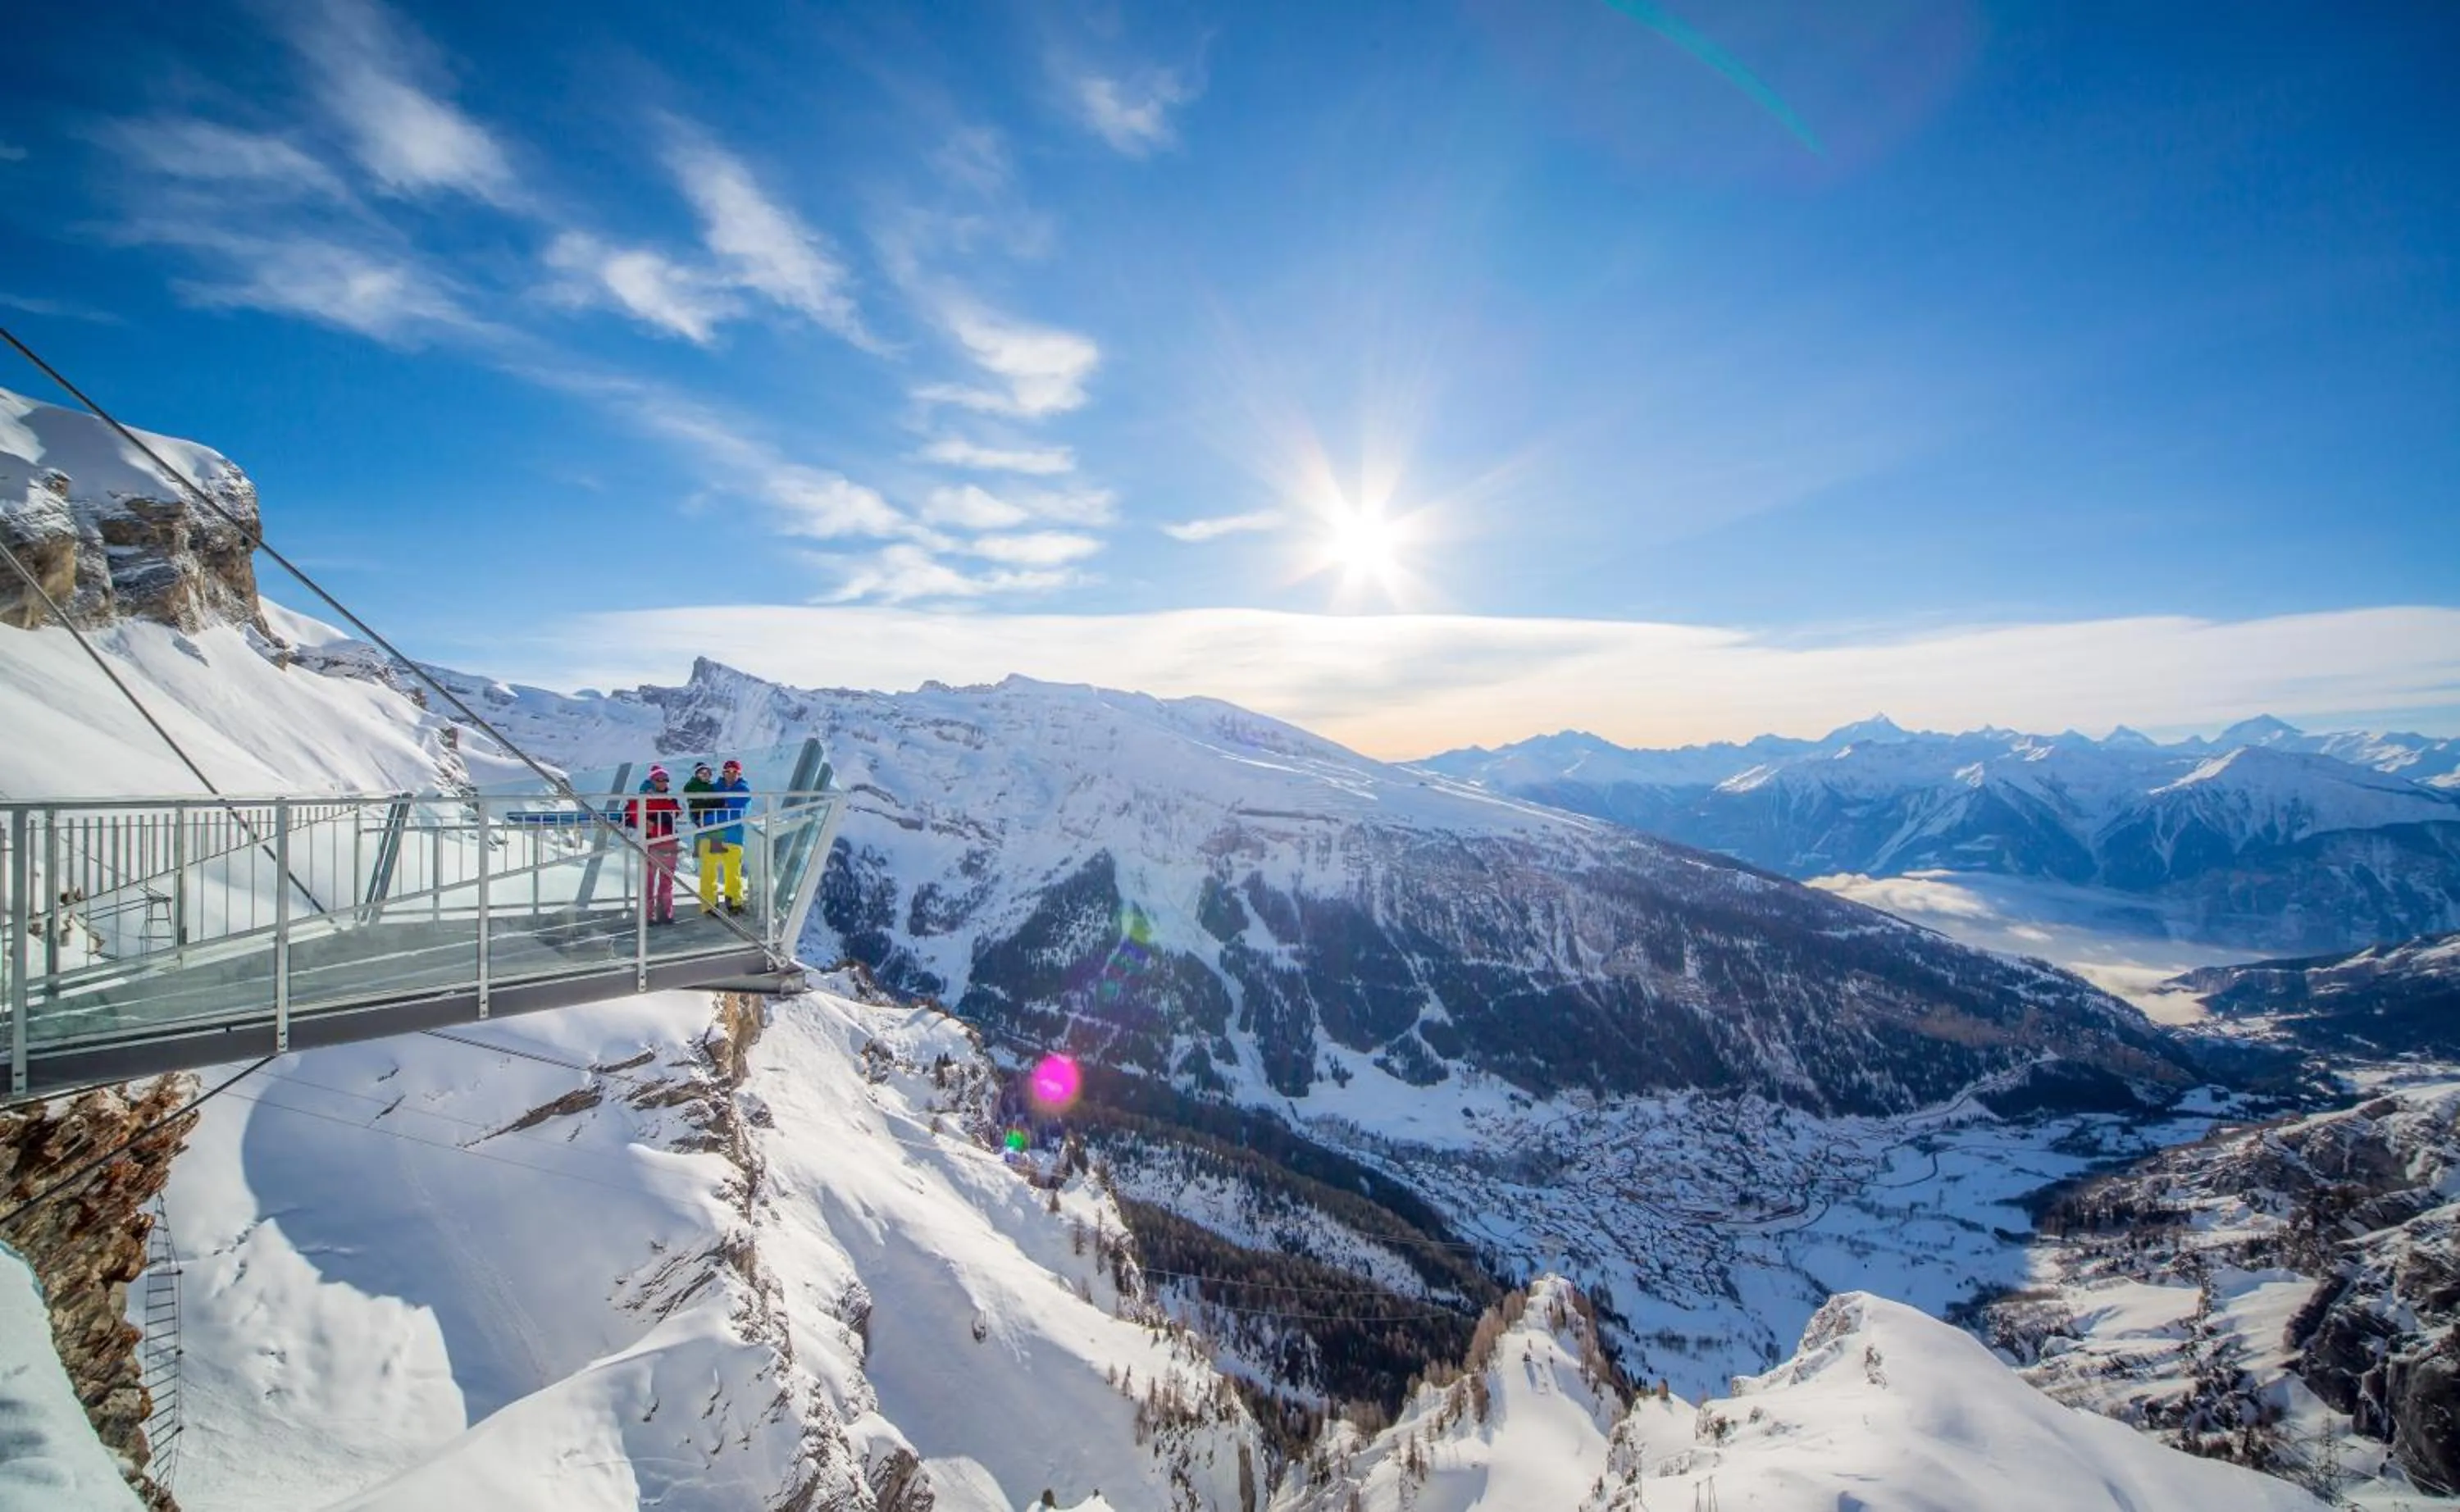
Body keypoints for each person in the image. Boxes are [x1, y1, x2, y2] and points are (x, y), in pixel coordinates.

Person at [622, 764, 681, 925]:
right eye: (658, 780)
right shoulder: (644, 800)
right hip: (652, 843)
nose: (662, 783)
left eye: (665, 780)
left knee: (665, 882)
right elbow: (635, 816)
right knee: (649, 882)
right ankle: (649, 916)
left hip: (667, 842)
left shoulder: (668, 799)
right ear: (652, 781)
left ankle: (664, 914)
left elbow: (676, 812)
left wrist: (652, 823)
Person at [695, 758, 752, 914]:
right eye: (728, 771)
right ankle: (709, 905)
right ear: (723, 772)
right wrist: (720, 808)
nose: (731, 774)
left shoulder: (744, 790)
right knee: (708, 871)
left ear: (739, 774)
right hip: (712, 835)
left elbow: (739, 813)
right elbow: (699, 808)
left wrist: (712, 816)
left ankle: (734, 903)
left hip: (732, 836)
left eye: (735, 772)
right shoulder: (713, 789)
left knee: (733, 872)